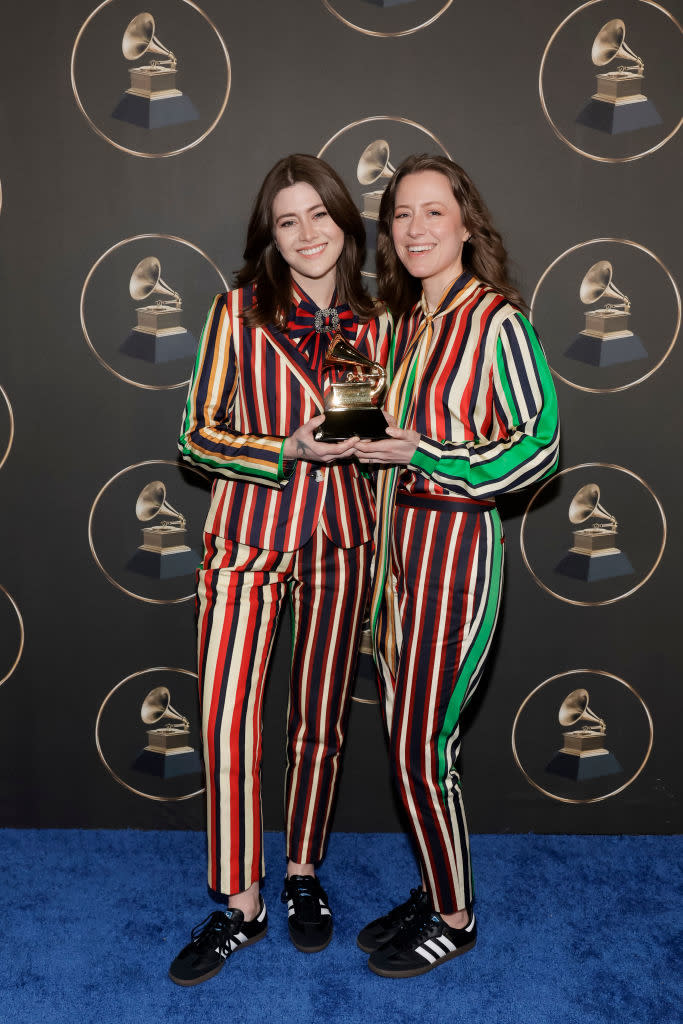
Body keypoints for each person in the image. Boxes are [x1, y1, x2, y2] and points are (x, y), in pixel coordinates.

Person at [171, 154, 392, 986]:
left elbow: (368, 436)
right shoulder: (237, 313)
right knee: (227, 724)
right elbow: (195, 435)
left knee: (318, 723)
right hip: (247, 544)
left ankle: (301, 872)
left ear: (345, 223)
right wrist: (281, 448)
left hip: (341, 544)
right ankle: (240, 902)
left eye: (320, 216)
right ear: (271, 233)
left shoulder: (371, 323)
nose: (306, 234)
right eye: (287, 220)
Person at [354, 154, 559, 978]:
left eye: (432, 212)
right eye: (401, 214)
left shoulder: (497, 321)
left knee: (418, 749)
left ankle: (455, 915)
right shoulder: (406, 326)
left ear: (467, 224)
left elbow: (539, 448)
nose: (415, 229)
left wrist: (430, 456)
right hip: (396, 561)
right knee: (413, 745)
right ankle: (441, 883)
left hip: (455, 555)